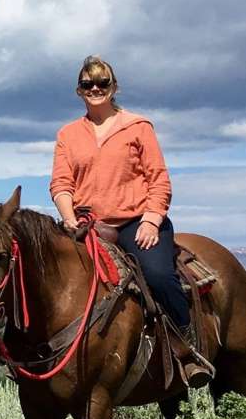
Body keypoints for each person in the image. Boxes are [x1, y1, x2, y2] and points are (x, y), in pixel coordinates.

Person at [50, 54, 213, 386]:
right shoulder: (68, 134)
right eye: (87, 84)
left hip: (135, 221)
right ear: (78, 91)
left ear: (114, 87)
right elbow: (61, 184)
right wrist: (68, 219)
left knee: (158, 274)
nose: (95, 88)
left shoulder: (137, 126)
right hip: (88, 223)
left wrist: (152, 221)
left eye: (102, 83)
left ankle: (187, 349)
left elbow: (158, 180)